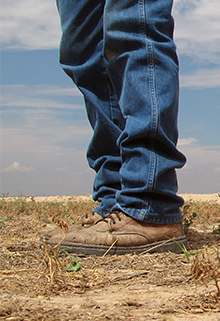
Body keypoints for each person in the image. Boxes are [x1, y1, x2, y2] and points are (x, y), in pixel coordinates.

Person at [46, 0, 187, 255]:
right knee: (83, 51)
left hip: (149, 200)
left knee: (132, 25)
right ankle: (114, 202)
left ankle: (149, 204)